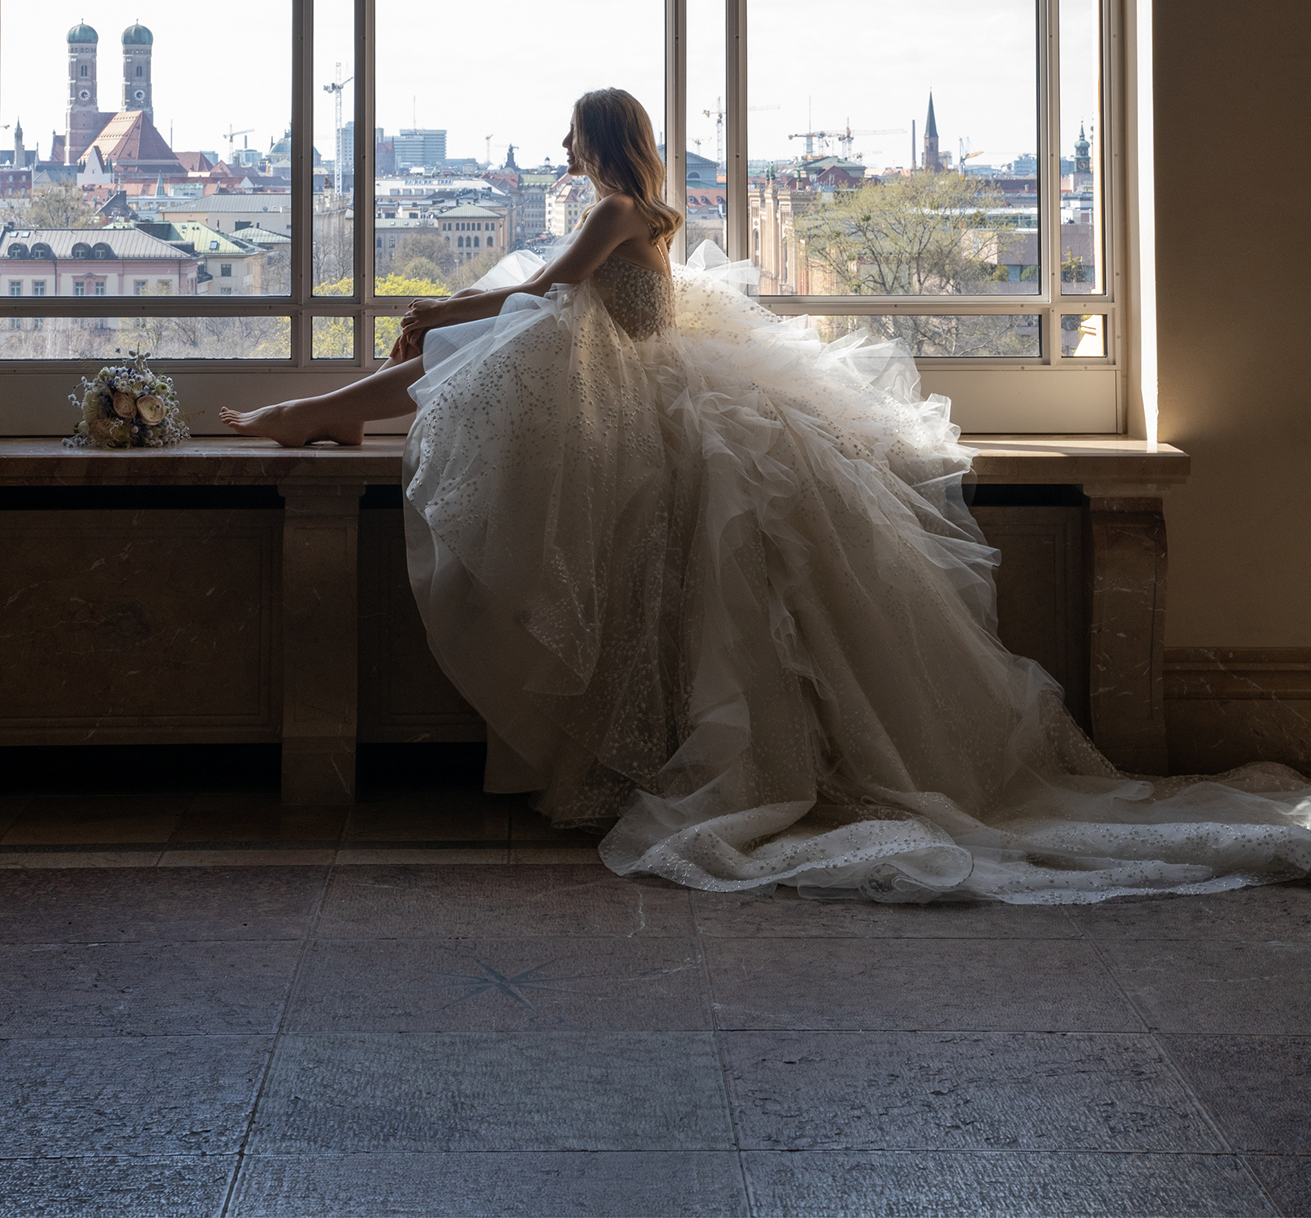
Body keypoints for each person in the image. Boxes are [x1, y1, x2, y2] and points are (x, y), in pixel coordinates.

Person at [223, 88, 1311, 903]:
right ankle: (330, 409)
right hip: (648, 384)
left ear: (598, 144)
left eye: (570, 141)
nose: (560, 155)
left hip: (644, 400)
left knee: (501, 335)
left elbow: (552, 288)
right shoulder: (645, 212)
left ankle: (323, 411)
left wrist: (444, 306)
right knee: (499, 340)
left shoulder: (614, 214)